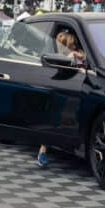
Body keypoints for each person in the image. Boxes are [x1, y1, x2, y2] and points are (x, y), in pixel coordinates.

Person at [37, 29, 86, 167]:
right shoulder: (55, 57)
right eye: (72, 44)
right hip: (58, 90)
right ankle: (43, 149)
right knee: (52, 119)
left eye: (75, 44)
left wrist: (80, 58)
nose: (75, 46)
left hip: (74, 91)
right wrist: (71, 58)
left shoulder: (78, 54)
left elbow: (84, 67)